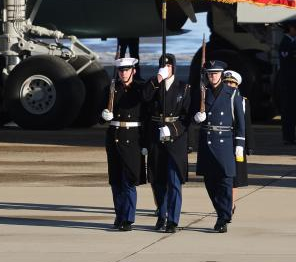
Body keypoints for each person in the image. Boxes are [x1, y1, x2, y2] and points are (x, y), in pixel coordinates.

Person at [143, 53, 191, 234]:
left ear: (174, 67)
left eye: (169, 66)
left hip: (175, 140)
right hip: (156, 137)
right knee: (158, 181)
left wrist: (172, 129)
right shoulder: (154, 84)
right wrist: (158, 79)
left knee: (174, 181)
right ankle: (161, 215)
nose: (166, 68)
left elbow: (187, 117)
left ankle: (173, 220)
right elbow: (145, 99)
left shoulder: (183, 88)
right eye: (163, 65)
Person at [195, 60, 246, 233]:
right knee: (210, 182)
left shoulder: (232, 93)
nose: (213, 76)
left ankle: (223, 216)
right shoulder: (203, 92)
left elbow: (240, 121)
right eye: (210, 73)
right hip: (207, 140)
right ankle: (221, 211)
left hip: (225, 140)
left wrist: (240, 143)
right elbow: (192, 112)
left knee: (225, 181)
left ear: (222, 74)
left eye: (215, 73)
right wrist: (197, 117)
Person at [101, 57, 148, 231]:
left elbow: (146, 116)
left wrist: (145, 142)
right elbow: (99, 114)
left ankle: (128, 218)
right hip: (114, 137)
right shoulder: (111, 89)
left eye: (127, 70)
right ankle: (119, 215)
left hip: (133, 138)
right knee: (115, 181)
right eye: (121, 70)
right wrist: (103, 115)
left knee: (128, 181)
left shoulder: (140, 90)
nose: (123, 73)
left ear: (133, 71)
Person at [223, 70, 251, 209]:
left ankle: (231, 203)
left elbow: (246, 125)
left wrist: (248, 146)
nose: (229, 85)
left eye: (232, 83)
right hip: (223, 141)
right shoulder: (218, 99)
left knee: (235, 176)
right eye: (226, 82)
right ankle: (225, 202)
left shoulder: (243, 101)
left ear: (237, 85)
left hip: (237, 142)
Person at [278, 21, 296, 145]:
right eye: (295, 29)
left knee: (292, 111)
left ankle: (291, 136)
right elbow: (288, 64)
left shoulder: (292, 43)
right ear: (290, 29)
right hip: (288, 83)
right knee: (288, 110)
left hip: (293, 82)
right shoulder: (285, 43)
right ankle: (288, 137)